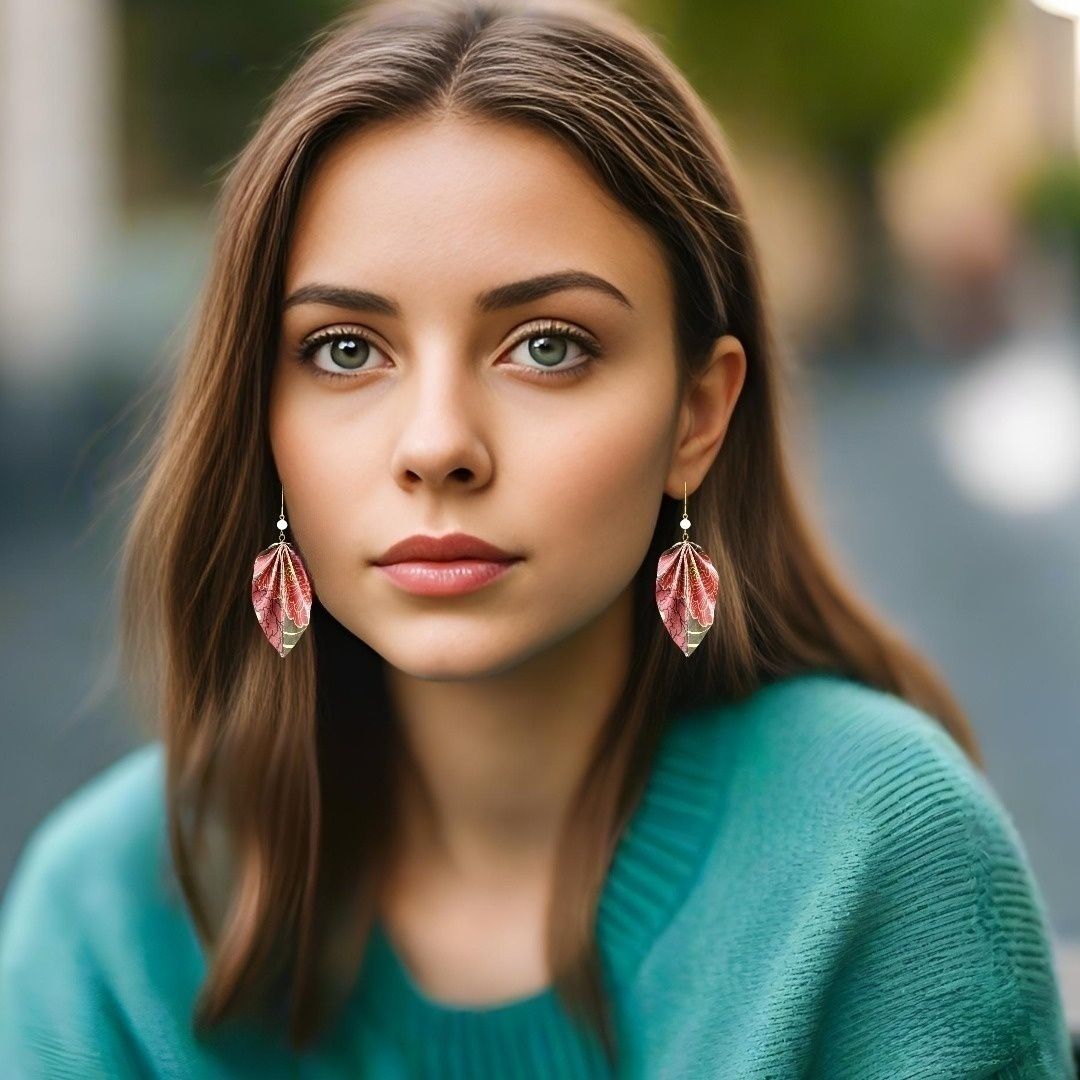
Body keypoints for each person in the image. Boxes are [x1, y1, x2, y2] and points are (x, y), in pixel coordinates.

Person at [0, 0, 1073, 1076]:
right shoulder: (106, 927)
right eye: (341, 350)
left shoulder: (874, 853)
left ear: (696, 416)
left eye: (547, 346)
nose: (437, 446)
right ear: (259, 414)